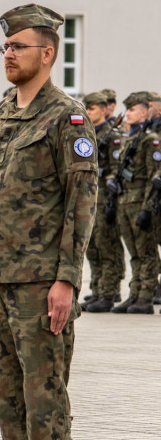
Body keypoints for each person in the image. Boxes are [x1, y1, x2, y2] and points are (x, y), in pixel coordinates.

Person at [0, 4, 98, 440]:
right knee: (8, 393)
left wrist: (66, 278)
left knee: (43, 389)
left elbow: (81, 202)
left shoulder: (66, 117)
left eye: (18, 46)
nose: (8, 54)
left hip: (40, 282)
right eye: (4, 46)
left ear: (47, 54)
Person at [107, 93, 159, 314]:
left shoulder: (151, 141)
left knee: (146, 252)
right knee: (134, 252)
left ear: (145, 112)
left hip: (140, 203)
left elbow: (153, 177)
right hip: (125, 202)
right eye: (127, 110)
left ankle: (145, 298)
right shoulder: (129, 139)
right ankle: (134, 293)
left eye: (133, 110)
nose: (128, 113)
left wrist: (147, 209)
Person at [81, 92, 125, 312]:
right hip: (88, 197)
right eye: (87, 109)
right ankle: (97, 289)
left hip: (103, 198)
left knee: (106, 245)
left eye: (93, 109)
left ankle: (108, 292)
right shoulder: (87, 133)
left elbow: (117, 169)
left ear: (103, 109)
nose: (89, 113)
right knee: (92, 247)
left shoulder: (112, 135)